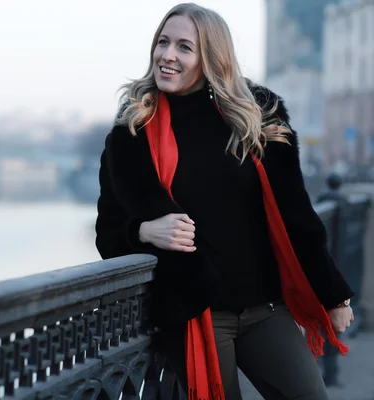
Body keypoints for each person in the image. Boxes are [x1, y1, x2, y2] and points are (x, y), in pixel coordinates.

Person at [94, 3, 354, 399]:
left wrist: (332, 294)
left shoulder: (258, 115)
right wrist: (144, 230)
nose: (167, 55)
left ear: (211, 57)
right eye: (163, 43)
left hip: (266, 309)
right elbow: (108, 236)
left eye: (184, 47)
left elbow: (295, 211)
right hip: (199, 315)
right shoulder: (132, 134)